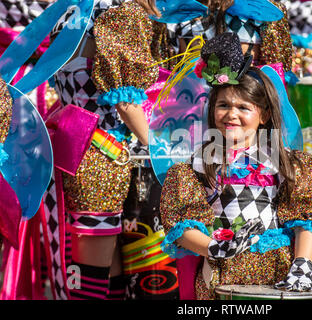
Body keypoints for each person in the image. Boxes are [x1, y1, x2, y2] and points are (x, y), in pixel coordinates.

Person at [158, 32, 312, 299]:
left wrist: (302, 266)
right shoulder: (198, 164)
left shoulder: (285, 162)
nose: (231, 114)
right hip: (219, 276)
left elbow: (306, 218)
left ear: (264, 114)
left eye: (243, 107)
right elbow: (183, 225)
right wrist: (215, 247)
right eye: (223, 105)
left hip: (275, 274)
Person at [48, 0, 171, 300]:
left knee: (103, 262)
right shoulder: (120, 12)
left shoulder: (68, 10)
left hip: (75, 146)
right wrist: (164, 154)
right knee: (91, 270)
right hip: (105, 154)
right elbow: (124, 100)